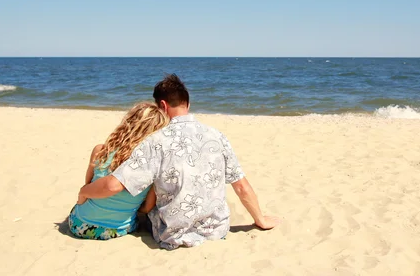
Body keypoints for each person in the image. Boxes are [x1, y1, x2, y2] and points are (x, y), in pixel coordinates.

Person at [78, 74, 280, 249]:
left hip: (172, 234)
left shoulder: (155, 140)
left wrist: (84, 192)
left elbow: (115, 184)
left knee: (147, 202)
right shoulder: (217, 136)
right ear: (188, 104)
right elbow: (241, 186)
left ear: (162, 106)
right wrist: (260, 220)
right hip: (216, 230)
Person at [69, 102, 169, 240]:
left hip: (80, 225)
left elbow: (88, 185)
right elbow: (147, 207)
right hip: (117, 229)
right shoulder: (153, 166)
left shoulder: (101, 151)